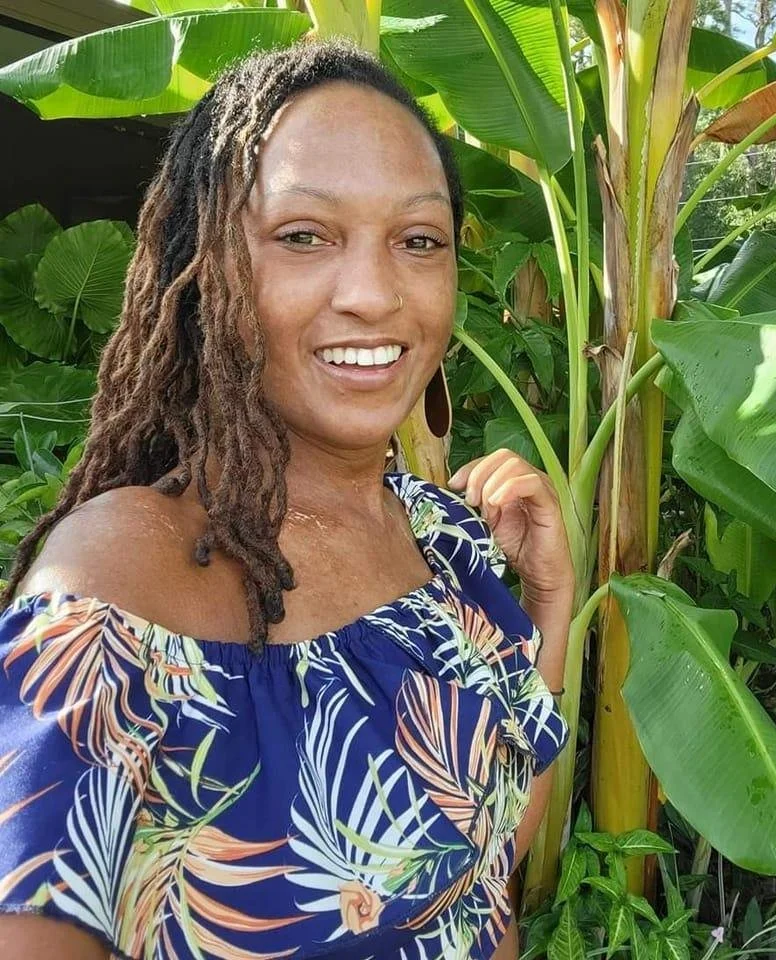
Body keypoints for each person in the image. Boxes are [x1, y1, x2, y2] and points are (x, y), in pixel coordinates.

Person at [0, 39, 573, 960]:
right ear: (205, 271)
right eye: (303, 236)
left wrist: (548, 606)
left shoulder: (445, 538)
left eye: (417, 241)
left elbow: (477, 867)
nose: (373, 295)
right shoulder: (118, 586)